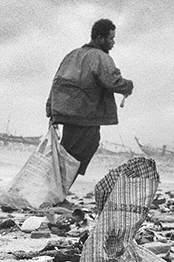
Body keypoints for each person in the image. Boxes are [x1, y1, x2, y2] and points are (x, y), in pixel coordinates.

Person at [45, 19, 134, 185]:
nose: (113, 42)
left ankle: (56, 193)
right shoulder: (100, 57)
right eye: (111, 39)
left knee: (70, 153)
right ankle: (56, 195)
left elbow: (56, 82)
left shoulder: (72, 55)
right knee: (74, 156)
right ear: (100, 39)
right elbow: (112, 81)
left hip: (68, 114)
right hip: (84, 114)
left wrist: (50, 109)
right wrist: (128, 86)